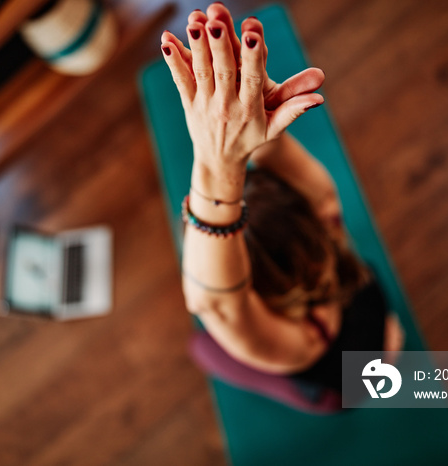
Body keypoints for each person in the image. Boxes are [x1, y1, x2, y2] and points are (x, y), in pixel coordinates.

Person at [160, 4, 404, 411]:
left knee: (207, 352)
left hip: (337, 366)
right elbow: (218, 303)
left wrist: (219, 159)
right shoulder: (324, 218)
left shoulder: (298, 340)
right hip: (352, 353)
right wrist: (242, 122)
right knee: (220, 354)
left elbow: (217, 304)